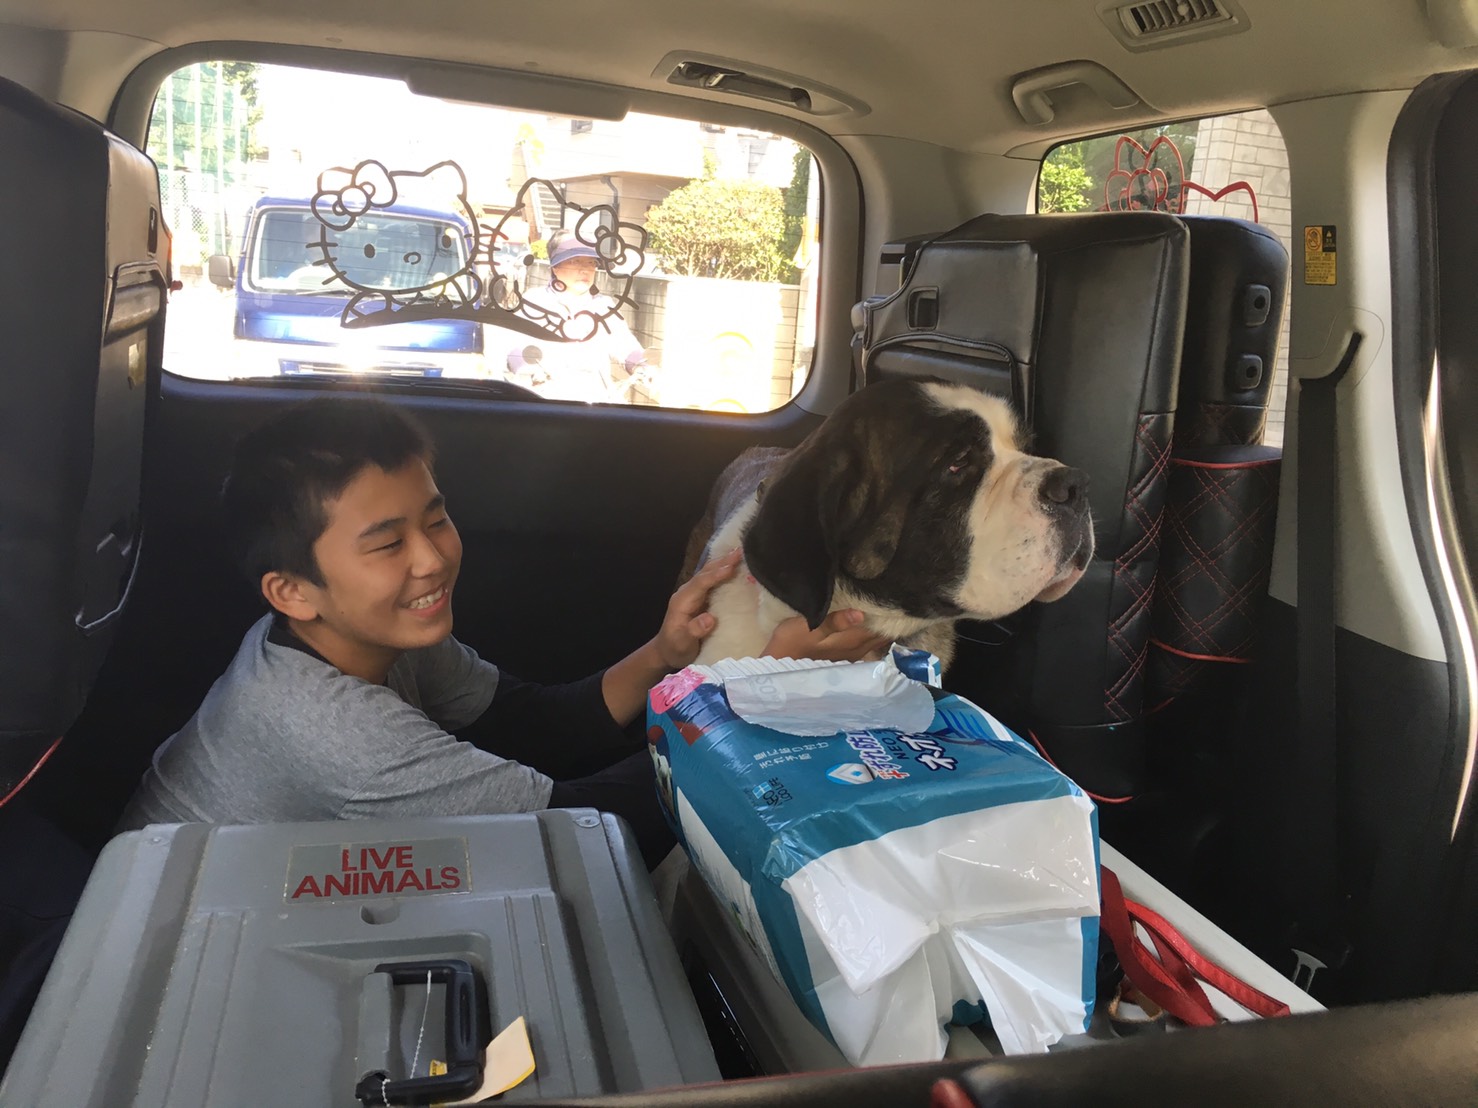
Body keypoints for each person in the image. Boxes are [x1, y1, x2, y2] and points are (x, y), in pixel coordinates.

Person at [116, 398, 886, 868]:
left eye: (436, 519)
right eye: (387, 544)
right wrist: (758, 692)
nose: (431, 559)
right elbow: (584, 831)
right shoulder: (333, 733)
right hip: (177, 936)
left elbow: (526, 723)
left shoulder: (366, 640)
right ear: (292, 590)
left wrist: (665, 655)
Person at [506, 229, 650, 401]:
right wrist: (528, 369)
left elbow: (624, 343)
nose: (585, 270)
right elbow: (515, 348)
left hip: (596, 405)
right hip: (547, 403)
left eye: (591, 263)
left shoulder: (603, 306)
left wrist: (642, 366)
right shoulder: (534, 301)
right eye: (575, 261)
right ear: (555, 267)